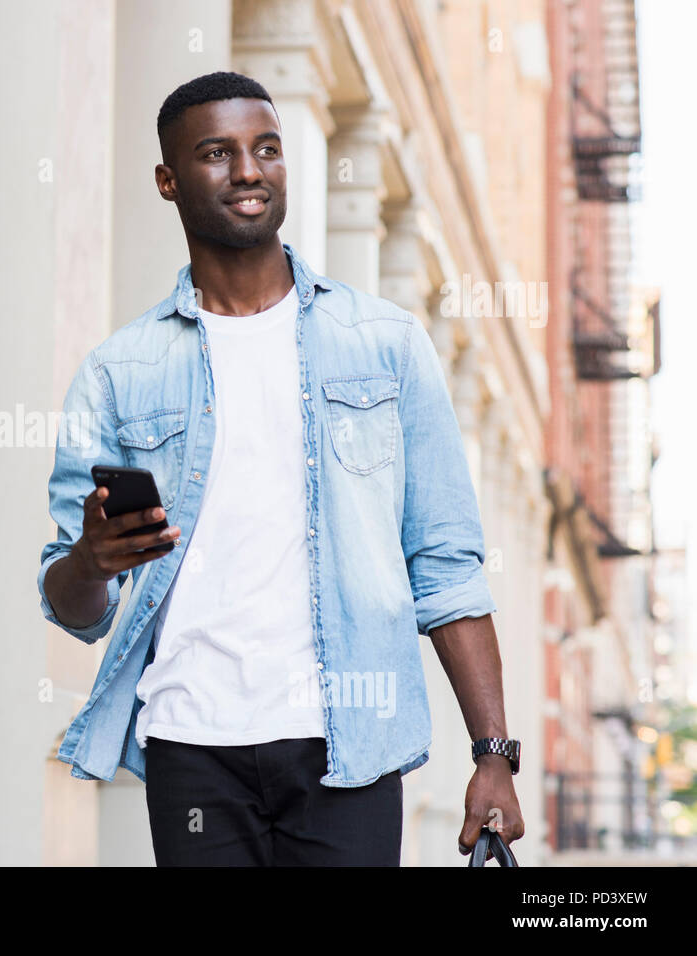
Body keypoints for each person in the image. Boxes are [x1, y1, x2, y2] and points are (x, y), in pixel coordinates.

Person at [37, 71, 524, 866]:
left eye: (266, 149)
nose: (249, 171)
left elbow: (445, 564)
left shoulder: (385, 343)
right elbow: (74, 603)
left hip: (348, 744)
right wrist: (92, 560)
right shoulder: (118, 372)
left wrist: (493, 753)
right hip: (192, 745)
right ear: (168, 180)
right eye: (217, 154)